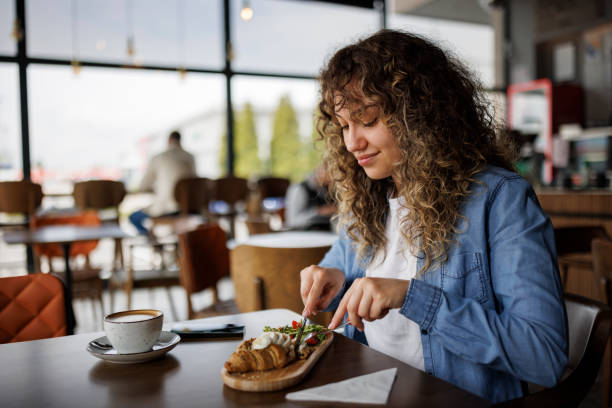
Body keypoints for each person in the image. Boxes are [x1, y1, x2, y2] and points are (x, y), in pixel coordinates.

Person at [299, 30, 567, 403]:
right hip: (370, 391)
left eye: (369, 119)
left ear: (420, 114)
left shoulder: (500, 200)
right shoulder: (368, 199)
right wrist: (331, 276)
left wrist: (413, 298)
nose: (351, 142)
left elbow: (543, 355)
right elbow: (342, 263)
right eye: (344, 126)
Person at [129, 131, 196, 235]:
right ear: (180, 141)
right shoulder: (190, 158)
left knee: (134, 217)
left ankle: (154, 245)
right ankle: (165, 245)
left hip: (168, 210)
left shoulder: (159, 158)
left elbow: (143, 185)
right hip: (190, 208)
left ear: (168, 141)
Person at [284, 165, 336, 231]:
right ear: (320, 171)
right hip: (303, 234)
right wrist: (318, 212)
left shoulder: (328, 190)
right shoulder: (299, 189)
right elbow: (292, 221)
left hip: (324, 233)